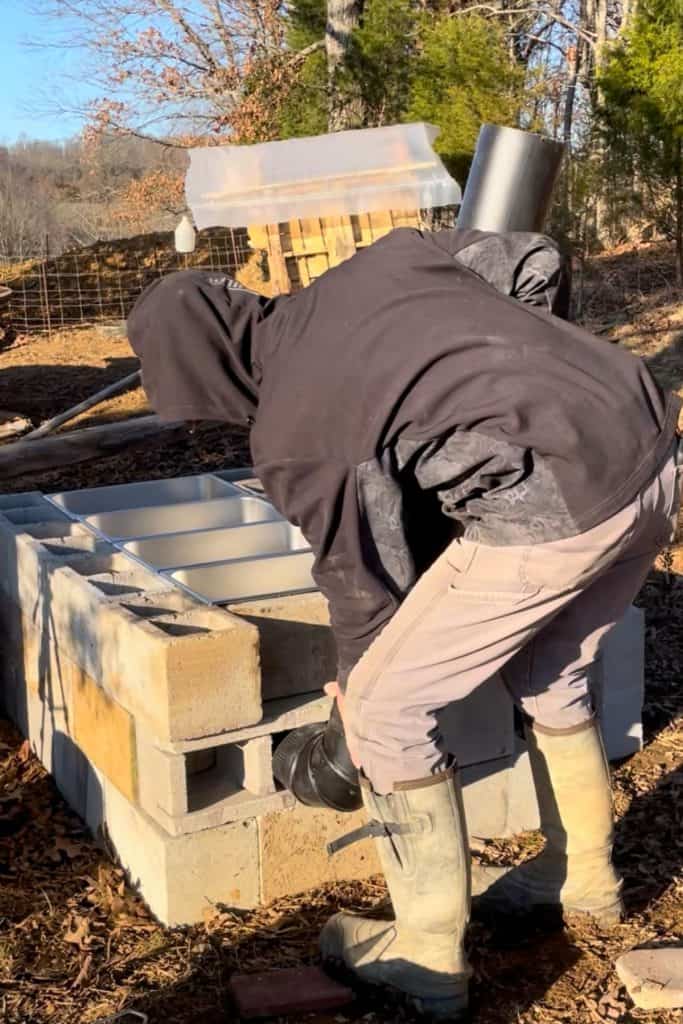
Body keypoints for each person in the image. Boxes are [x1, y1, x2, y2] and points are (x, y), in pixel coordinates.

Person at [127, 227, 681, 1022]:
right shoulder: (382, 262)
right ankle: (582, 881)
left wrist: (356, 696)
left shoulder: (296, 431)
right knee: (550, 672)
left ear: (203, 371)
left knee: (387, 711)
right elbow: (533, 256)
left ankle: (424, 960)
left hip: (559, 506)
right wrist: (525, 383)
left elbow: (362, 584)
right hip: (649, 448)